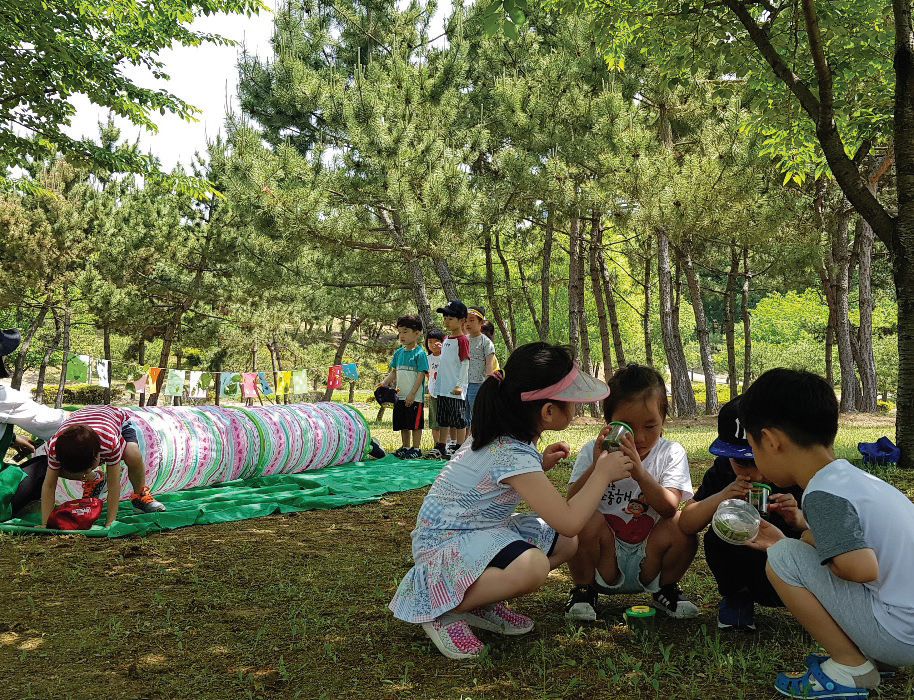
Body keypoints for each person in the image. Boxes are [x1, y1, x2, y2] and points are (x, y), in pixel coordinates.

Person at [389, 342, 633, 659]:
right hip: (444, 545)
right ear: (547, 412)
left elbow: (497, 480)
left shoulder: (505, 435)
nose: (575, 409)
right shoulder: (512, 452)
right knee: (532, 566)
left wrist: (539, 465)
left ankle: (480, 601)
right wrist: (601, 473)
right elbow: (570, 520)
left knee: (564, 543)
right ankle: (441, 609)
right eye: (570, 402)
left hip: (472, 534)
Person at [741, 369, 914, 698]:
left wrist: (795, 543)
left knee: (781, 557)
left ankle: (851, 669)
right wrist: (804, 536)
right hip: (905, 622)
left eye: (753, 447)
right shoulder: (854, 480)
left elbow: (861, 568)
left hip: (901, 634)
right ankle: (875, 659)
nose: (756, 460)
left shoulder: (822, 494)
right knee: (789, 549)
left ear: (772, 440)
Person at [564, 363, 699, 621]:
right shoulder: (591, 452)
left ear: (663, 421)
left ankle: (666, 590)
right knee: (581, 521)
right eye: (626, 426)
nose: (638, 437)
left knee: (683, 525)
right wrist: (596, 466)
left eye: (650, 426)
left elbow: (669, 508)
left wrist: (640, 473)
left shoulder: (671, 452)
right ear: (608, 422)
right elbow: (571, 504)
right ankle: (584, 590)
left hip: (651, 555)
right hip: (604, 555)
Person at [679, 396, 806, 631]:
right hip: (744, 565)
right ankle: (738, 597)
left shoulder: (796, 475)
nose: (755, 476)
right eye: (742, 463)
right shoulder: (724, 471)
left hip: (791, 569)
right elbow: (687, 523)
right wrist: (722, 497)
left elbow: (827, 537)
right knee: (718, 536)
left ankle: (807, 604)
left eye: (760, 461)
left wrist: (799, 520)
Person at [41, 406, 166, 527]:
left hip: (117, 419)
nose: (87, 471)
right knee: (54, 471)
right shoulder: (54, 448)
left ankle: (140, 496)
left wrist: (110, 522)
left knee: (132, 454)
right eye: (86, 471)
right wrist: (46, 523)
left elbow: (114, 484)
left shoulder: (109, 443)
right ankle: (94, 479)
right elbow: (49, 485)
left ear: (98, 456)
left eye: (90, 468)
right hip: (81, 420)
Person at [378, 314, 429, 459]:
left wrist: (412, 394)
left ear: (417, 333)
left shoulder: (420, 353)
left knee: (415, 424)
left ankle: (416, 448)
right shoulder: (398, 353)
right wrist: (384, 383)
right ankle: (405, 447)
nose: (401, 335)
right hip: (398, 395)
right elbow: (393, 372)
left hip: (414, 397)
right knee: (403, 423)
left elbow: (421, 375)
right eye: (400, 332)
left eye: (405, 331)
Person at [433, 300, 470, 459]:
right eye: (445, 318)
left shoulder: (463, 340)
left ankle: (459, 448)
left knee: (458, 420)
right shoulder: (446, 339)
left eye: (450, 318)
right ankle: (441, 446)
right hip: (443, 388)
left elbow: (465, 363)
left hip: (455, 389)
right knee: (442, 419)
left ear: (462, 321)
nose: (446, 322)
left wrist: (460, 385)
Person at [463, 307, 496, 429]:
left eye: (472, 320)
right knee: (463, 414)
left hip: (477, 384)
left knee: (476, 413)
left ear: (481, 322)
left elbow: (489, 364)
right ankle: (463, 441)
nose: (468, 324)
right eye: (466, 321)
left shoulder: (486, 342)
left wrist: (487, 382)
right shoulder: (464, 340)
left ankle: (477, 437)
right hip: (463, 383)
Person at [423, 329, 446, 459]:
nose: (433, 345)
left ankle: (445, 445)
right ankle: (436, 445)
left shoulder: (445, 357)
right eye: (429, 342)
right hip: (433, 394)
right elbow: (427, 374)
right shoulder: (427, 359)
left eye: (436, 342)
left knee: (446, 421)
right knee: (434, 422)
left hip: (446, 393)